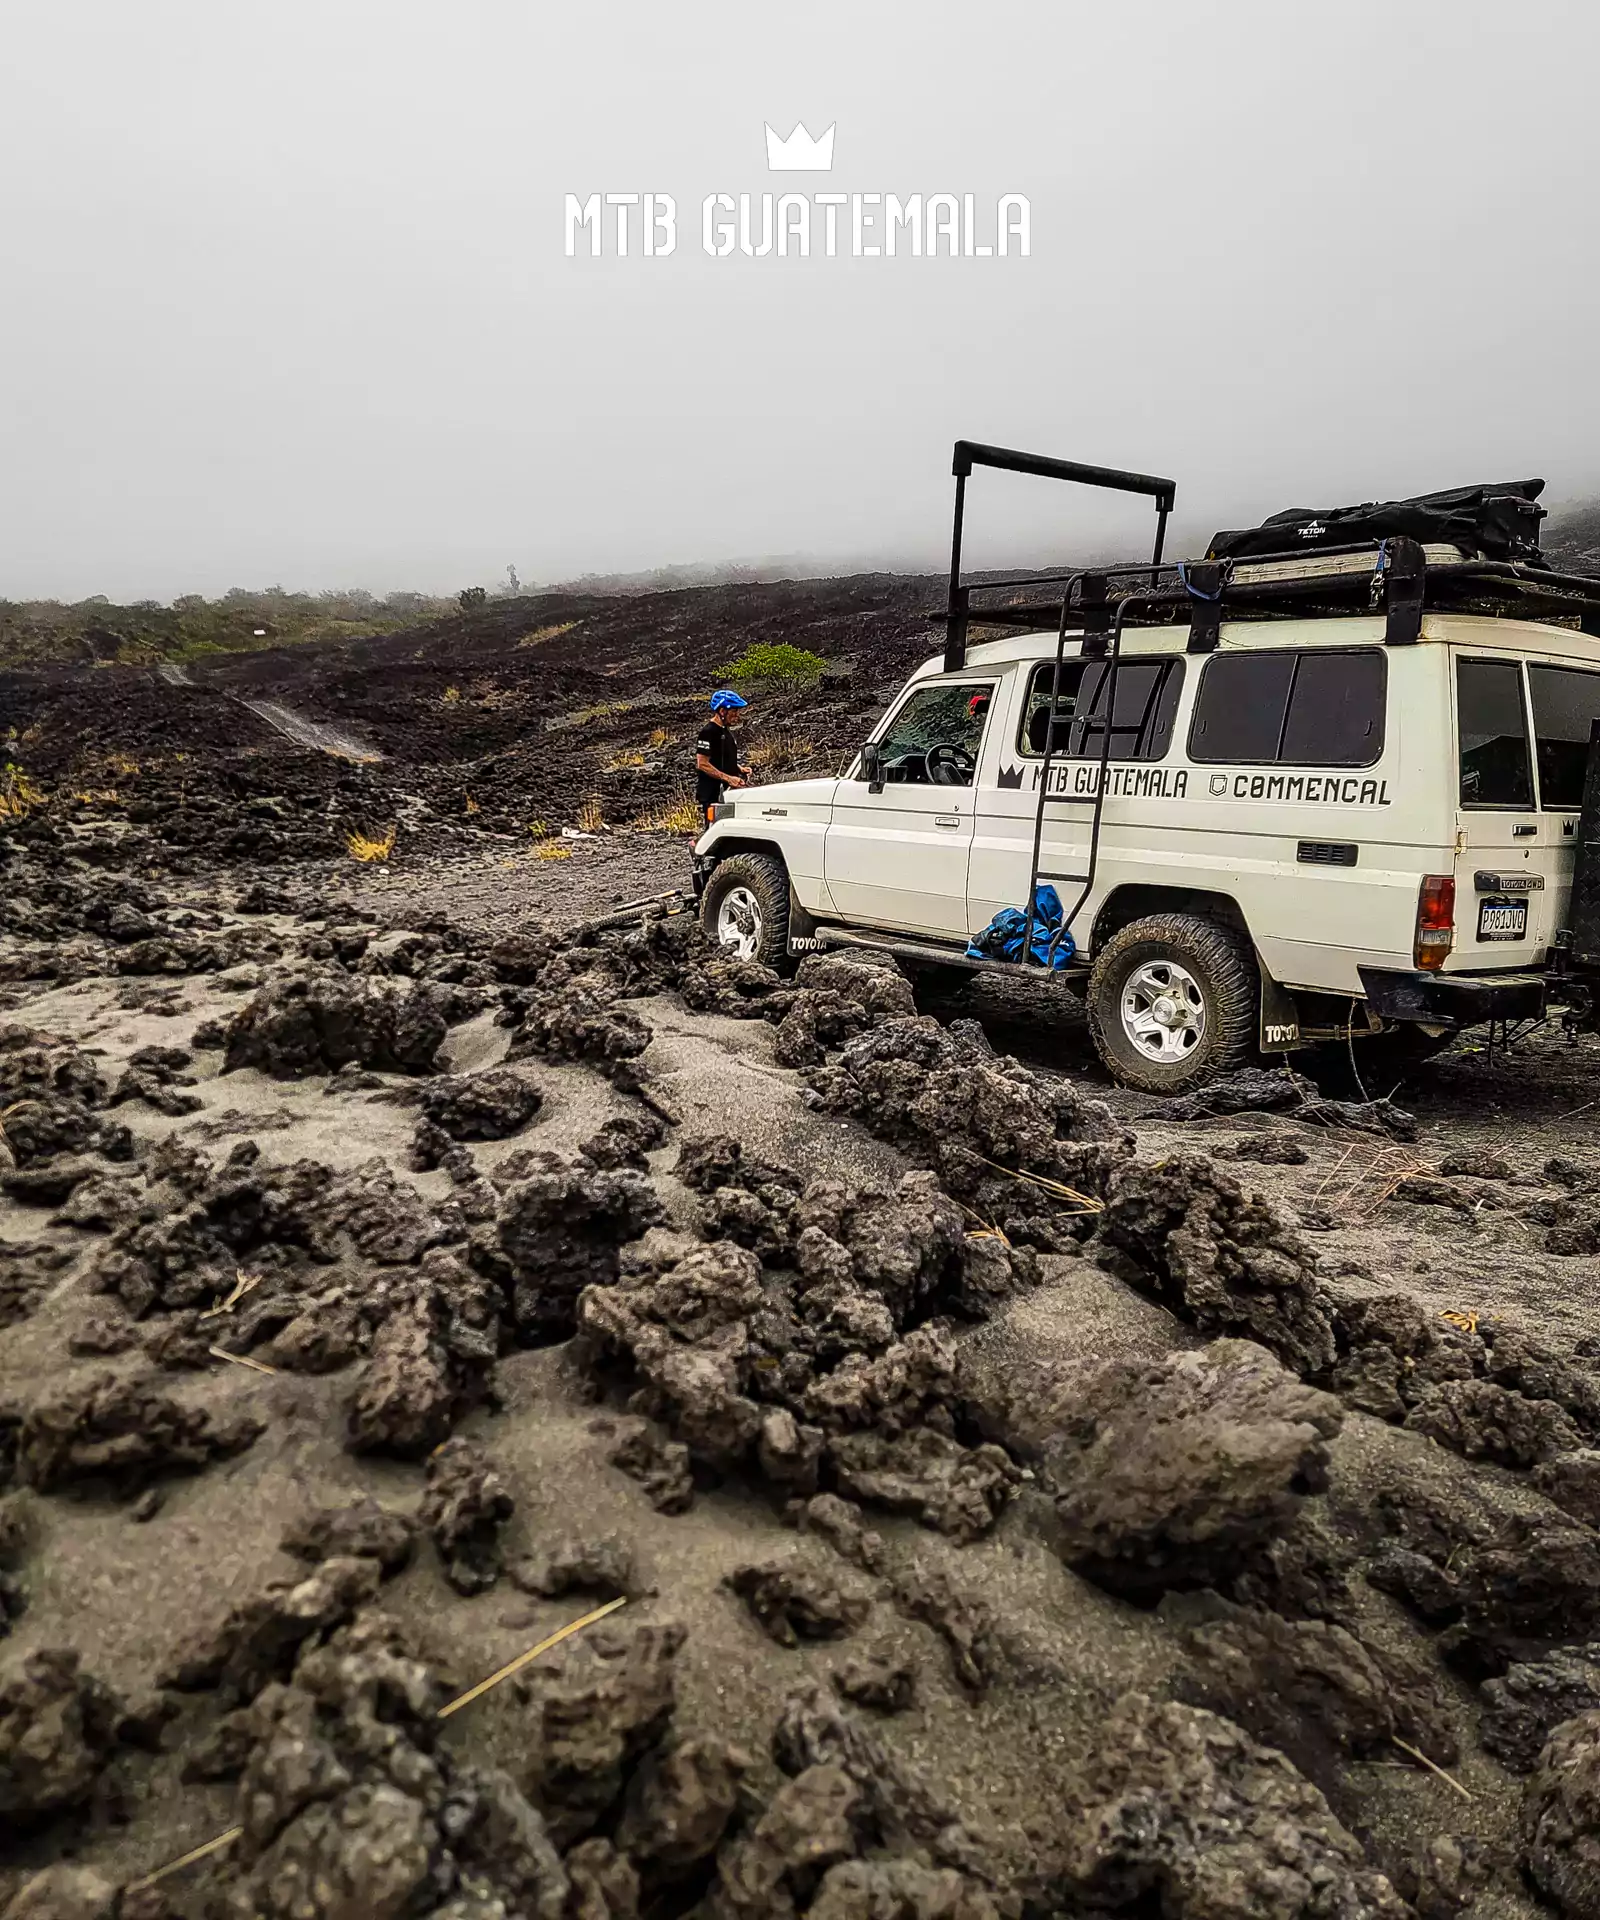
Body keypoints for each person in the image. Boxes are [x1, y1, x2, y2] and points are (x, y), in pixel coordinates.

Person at [696, 688, 750, 824]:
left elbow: (721, 756)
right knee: (716, 829)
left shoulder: (725, 731)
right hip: (713, 794)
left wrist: (739, 769)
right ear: (722, 711)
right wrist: (729, 778)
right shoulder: (708, 732)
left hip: (727, 792)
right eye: (734, 711)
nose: (737, 715)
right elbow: (702, 763)